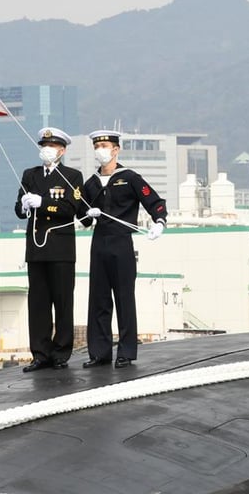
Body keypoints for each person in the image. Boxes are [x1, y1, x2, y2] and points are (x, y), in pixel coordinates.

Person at [80, 130, 168, 368]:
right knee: (98, 299)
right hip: (99, 242)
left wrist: (159, 222)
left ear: (116, 149)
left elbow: (155, 202)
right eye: (97, 146)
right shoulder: (91, 183)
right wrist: (85, 212)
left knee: (124, 298)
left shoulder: (129, 177)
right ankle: (99, 352)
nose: (100, 150)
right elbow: (85, 220)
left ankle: (126, 352)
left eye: (105, 145)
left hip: (121, 242)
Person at [15, 128, 83, 372]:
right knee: (39, 304)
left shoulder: (72, 176)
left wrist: (43, 204)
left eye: (52, 146)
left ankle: (61, 353)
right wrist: (24, 206)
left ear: (62, 151)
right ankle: (40, 353)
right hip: (36, 248)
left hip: (61, 247)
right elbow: (18, 209)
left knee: (62, 302)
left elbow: (70, 208)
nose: (47, 149)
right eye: (44, 145)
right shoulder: (30, 175)